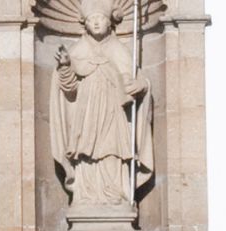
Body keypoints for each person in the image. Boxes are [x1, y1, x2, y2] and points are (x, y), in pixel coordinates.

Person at [51, 1, 153, 208]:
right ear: (85, 24)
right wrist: (64, 67)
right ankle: (85, 196)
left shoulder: (120, 50)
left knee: (113, 149)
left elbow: (139, 81)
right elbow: (69, 89)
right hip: (87, 113)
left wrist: (140, 84)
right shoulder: (76, 51)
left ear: (110, 23)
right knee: (86, 151)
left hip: (113, 111)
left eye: (101, 18)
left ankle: (116, 194)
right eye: (91, 19)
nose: (96, 23)